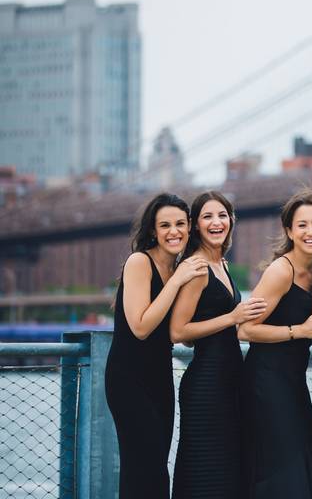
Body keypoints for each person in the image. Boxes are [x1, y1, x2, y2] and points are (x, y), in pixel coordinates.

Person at [105, 193, 207, 499]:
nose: (173, 231)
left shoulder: (182, 269)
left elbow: (180, 333)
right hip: (128, 380)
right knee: (142, 468)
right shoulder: (140, 262)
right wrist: (177, 282)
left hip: (160, 378)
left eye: (180, 224)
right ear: (153, 230)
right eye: (165, 225)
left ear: (190, 228)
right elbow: (140, 327)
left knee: (156, 467)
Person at [239, 190, 312, 499]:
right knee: (282, 467)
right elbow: (245, 330)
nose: (311, 232)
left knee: (302, 458)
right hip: (266, 380)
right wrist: (300, 330)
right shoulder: (281, 271)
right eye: (302, 225)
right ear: (289, 231)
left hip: (292, 379)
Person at [169, 191, 266, 499]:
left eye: (222, 216)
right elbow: (178, 331)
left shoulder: (221, 264)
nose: (216, 222)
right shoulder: (196, 267)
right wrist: (232, 317)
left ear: (231, 222)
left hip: (230, 379)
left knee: (228, 471)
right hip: (207, 384)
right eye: (207, 216)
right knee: (205, 471)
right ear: (195, 225)